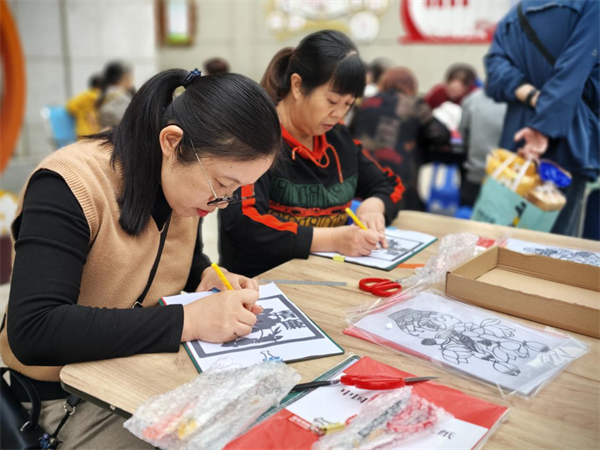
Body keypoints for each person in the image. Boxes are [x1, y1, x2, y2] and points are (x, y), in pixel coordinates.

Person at [0, 69, 281, 449]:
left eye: (236, 191)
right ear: (172, 142)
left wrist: (207, 274)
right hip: (65, 399)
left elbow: (179, 256)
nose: (223, 202)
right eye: (222, 184)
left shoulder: (182, 186)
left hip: (139, 368)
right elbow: (34, 330)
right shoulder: (67, 185)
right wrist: (190, 320)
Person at [219, 30, 405, 278]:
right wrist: (332, 239)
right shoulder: (255, 140)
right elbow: (243, 223)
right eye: (332, 101)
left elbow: (389, 183)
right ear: (297, 86)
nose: (339, 114)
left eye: (348, 104)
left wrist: (374, 205)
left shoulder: (338, 139)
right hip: (263, 283)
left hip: (327, 276)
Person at [485, 0, 600, 236]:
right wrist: (544, 125)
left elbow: (495, 73)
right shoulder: (591, 6)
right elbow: (575, 66)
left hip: (518, 140)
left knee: (505, 239)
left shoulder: (514, 15)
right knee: (552, 248)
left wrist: (533, 96)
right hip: (564, 139)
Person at [350, 67, 452, 211]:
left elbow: (349, 133)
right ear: (411, 86)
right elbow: (441, 135)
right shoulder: (414, 104)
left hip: (362, 172)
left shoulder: (365, 103)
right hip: (400, 177)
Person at [458, 89, 507, 206]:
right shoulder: (518, 103)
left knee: (467, 212)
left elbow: (461, 135)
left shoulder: (472, 99)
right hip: (507, 179)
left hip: (475, 172)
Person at [97, 61, 136, 128]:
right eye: (131, 76)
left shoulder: (105, 94)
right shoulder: (120, 97)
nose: (133, 79)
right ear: (124, 77)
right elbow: (129, 123)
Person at [66, 73, 102, 137]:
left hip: (83, 132)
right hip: (100, 132)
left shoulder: (83, 96)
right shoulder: (103, 96)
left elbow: (70, 107)